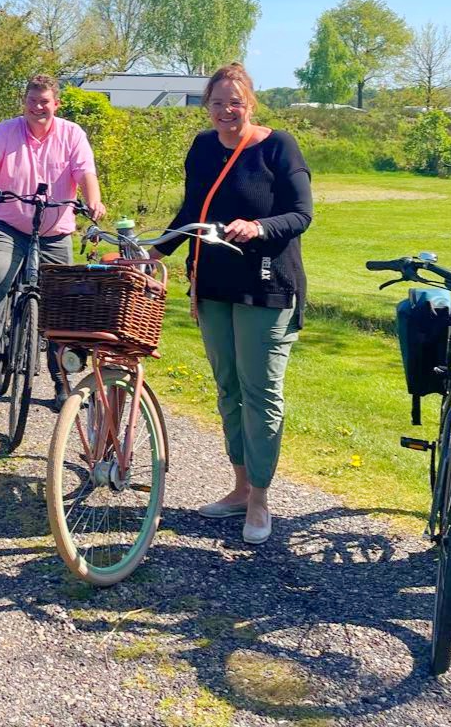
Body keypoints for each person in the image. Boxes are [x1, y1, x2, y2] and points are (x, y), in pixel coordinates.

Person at [154, 63, 312, 545]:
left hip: (266, 286)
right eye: (218, 102)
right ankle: (241, 487)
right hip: (213, 284)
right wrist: (151, 251)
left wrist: (260, 227)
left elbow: (302, 213)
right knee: (228, 389)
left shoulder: (277, 146)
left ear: (251, 103)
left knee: (260, 393)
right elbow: (190, 212)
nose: (226, 111)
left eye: (235, 102)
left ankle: (261, 499)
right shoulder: (202, 148)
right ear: (207, 105)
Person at [0, 74, 106, 394]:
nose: (38, 107)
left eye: (44, 102)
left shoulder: (72, 134)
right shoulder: (6, 130)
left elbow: (85, 172)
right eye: (32, 101)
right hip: (8, 224)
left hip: (55, 231)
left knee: (63, 300)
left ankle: (61, 380)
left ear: (56, 104)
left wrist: (93, 199)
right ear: (24, 103)